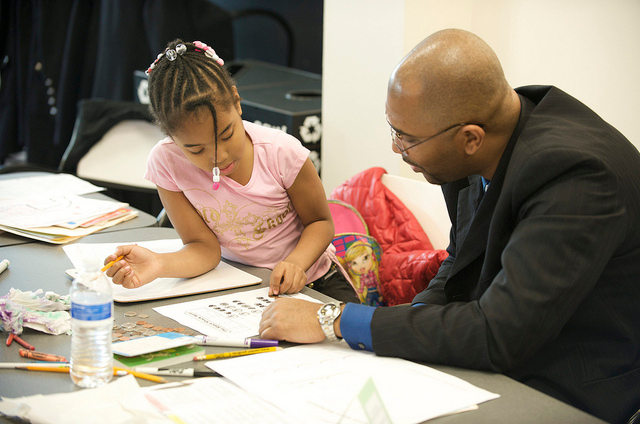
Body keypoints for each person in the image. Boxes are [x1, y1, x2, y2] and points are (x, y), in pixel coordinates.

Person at [258, 29, 640, 423]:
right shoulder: (481, 141)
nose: (395, 148)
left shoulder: (574, 177)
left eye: (406, 138)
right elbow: (459, 264)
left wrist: (335, 319)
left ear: (470, 138)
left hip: (572, 384)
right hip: (503, 351)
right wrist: (411, 325)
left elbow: (499, 334)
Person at [102, 39, 358, 304]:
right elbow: (203, 249)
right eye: (195, 150)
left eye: (226, 135)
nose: (218, 157)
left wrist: (295, 263)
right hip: (240, 286)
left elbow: (320, 223)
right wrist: (157, 264)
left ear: (237, 102)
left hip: (315, 281)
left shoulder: (281, 152)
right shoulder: (166, 162)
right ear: (171, 137)